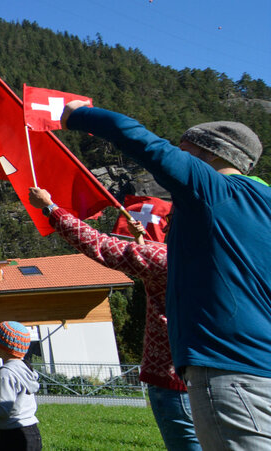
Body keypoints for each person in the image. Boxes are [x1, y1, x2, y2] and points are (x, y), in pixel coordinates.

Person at [62, 101, 271, 449]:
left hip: (227, 369)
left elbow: (143, 142)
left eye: (185, 150)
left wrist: (77, 115)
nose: (178, 156)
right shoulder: (263, 202)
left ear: (210, 155)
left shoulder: (212, 189)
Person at [29, 187, 199, 450]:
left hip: (173, 384)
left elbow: (99, 244)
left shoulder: (167, 259)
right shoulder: (224, 259)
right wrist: (141, 242)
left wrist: (50, 208)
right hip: (212, 381)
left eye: (169, 223)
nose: (164, 229)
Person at [0, 321, 42, 451]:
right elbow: (12, 398)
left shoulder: (5, 373)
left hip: (13, 435)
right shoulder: (25, 368)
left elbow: (4, 409)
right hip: (32, 432)